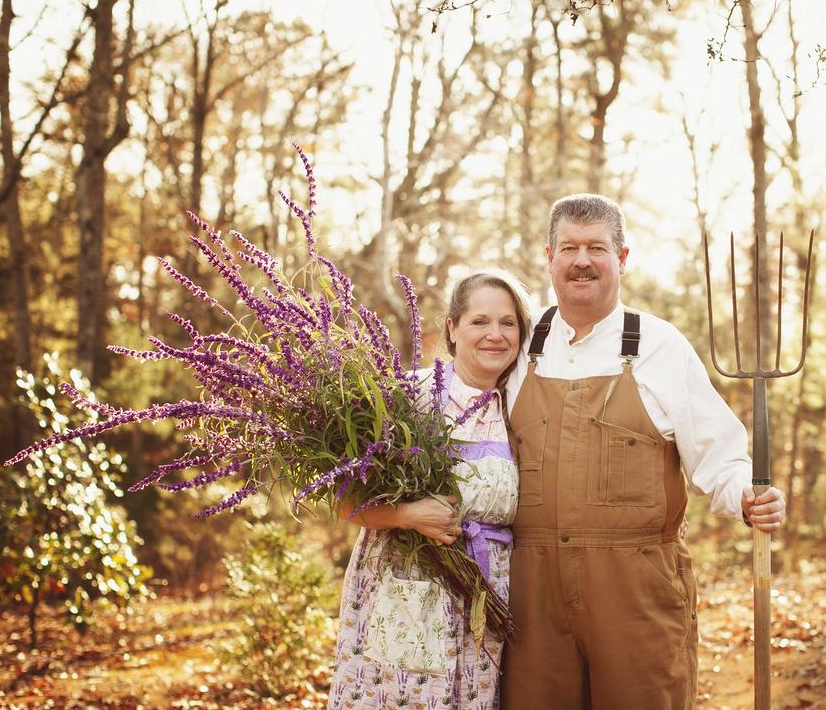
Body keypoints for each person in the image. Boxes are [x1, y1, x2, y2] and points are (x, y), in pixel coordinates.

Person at [501, 194, 787, 710]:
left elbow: (718, 451)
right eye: (568, 247)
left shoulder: (661, 346)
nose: (581, 260)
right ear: (549, 257)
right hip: (531, 592)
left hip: (635, 589)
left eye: (597, 247)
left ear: (622, 258)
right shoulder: (519, 346)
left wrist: (747, 495)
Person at [326, 271, 531, 710]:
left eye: (508, 323)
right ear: (453, 329)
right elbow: (342, 497)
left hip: (485, 600)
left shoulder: (522, 407)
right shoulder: (406, 395)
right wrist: (405, 514)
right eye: (480, 321)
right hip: (404, 591)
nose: (495, 335)